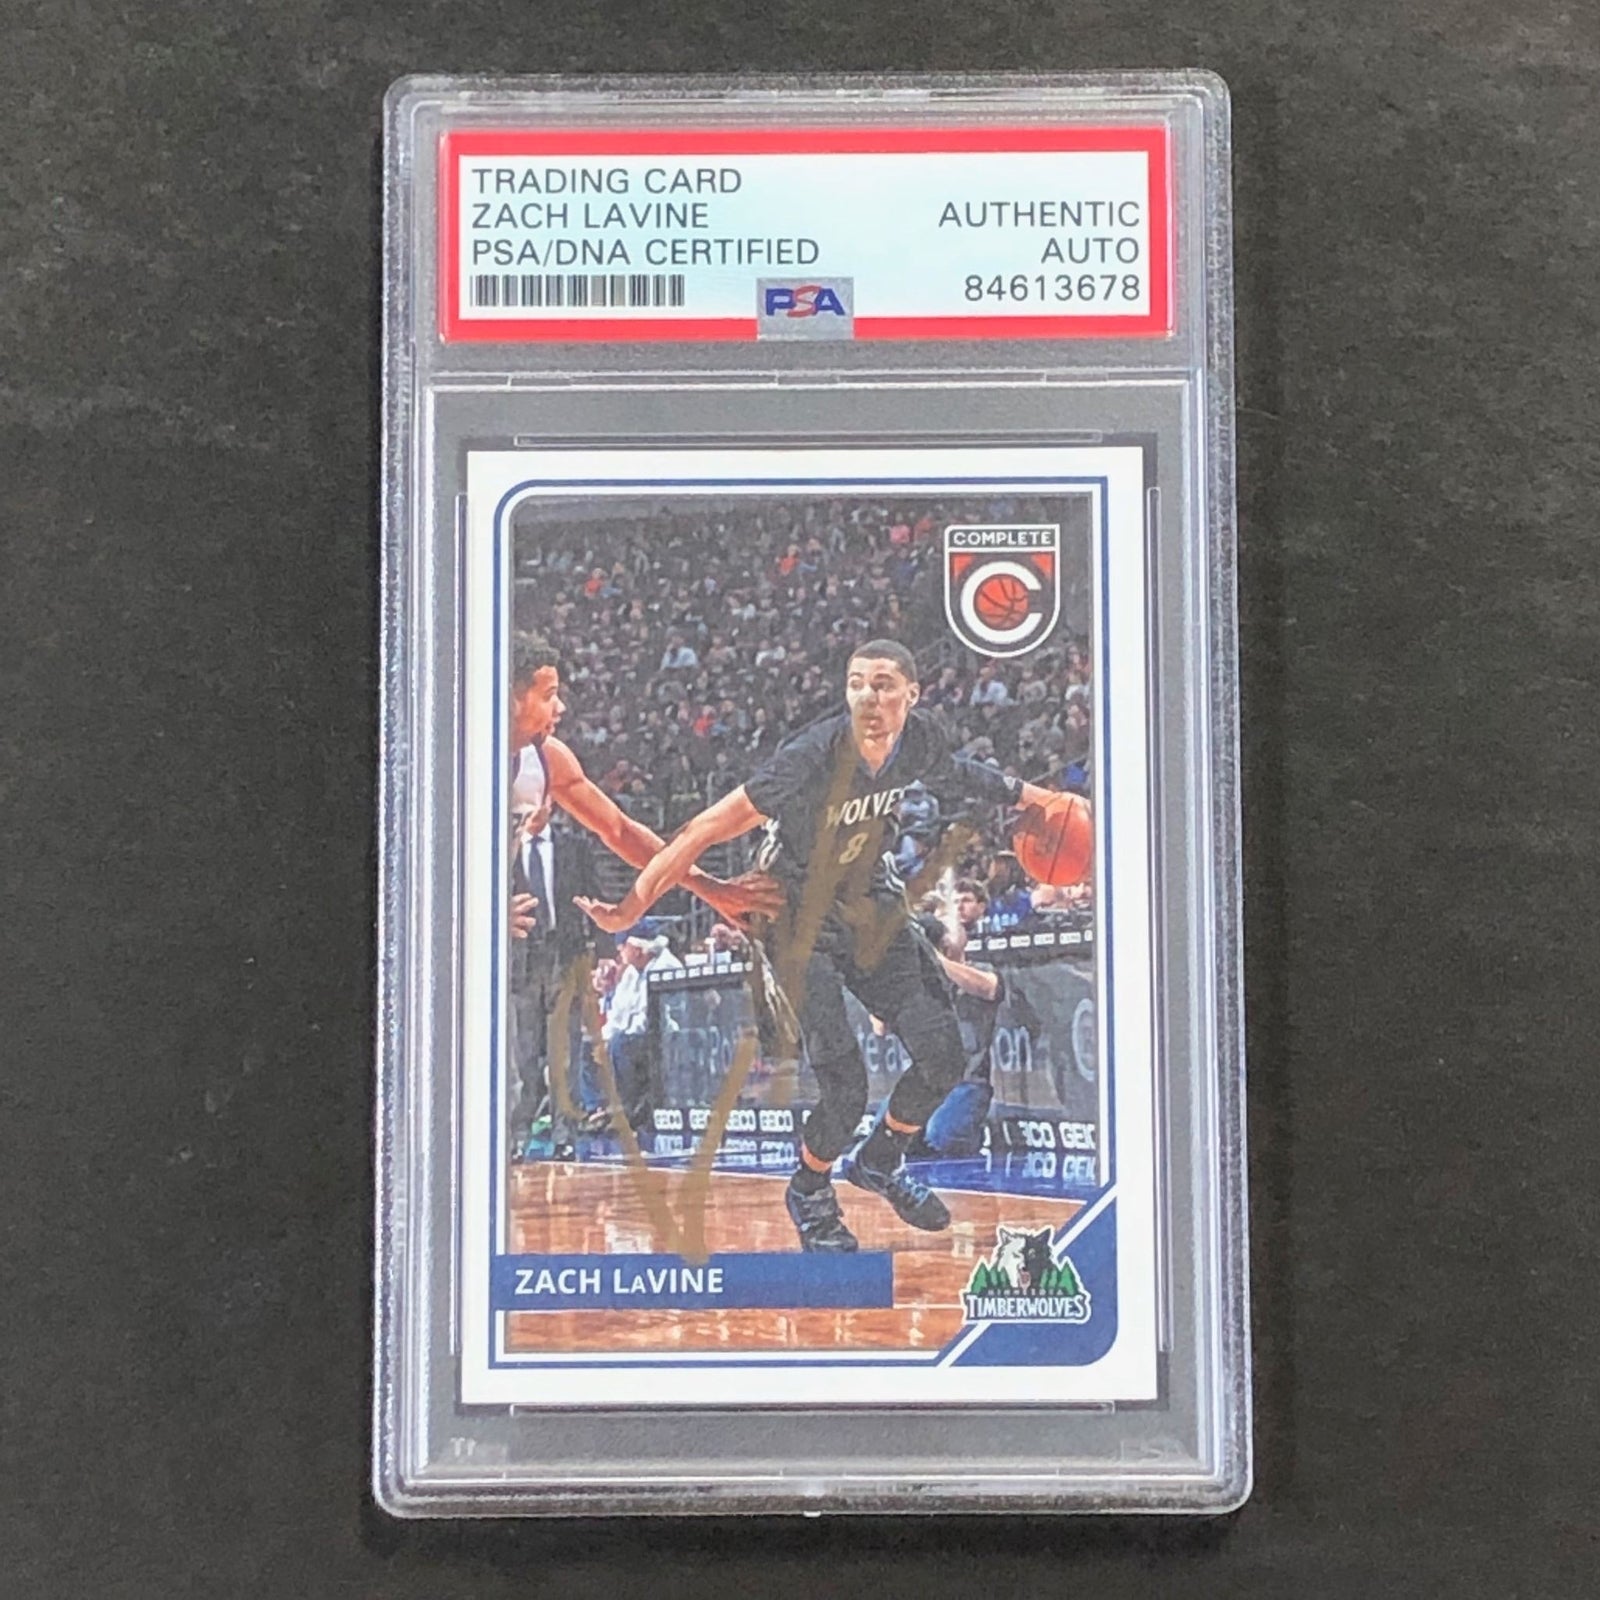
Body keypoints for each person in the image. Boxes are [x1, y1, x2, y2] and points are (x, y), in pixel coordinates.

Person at [576, 639, 1061, 1253]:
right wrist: (633, 906)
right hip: (796, 917)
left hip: (869, 904)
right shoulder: (810, 756)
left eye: (883, 683)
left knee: (942, 1054)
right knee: (846, 1086)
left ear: (912, 695)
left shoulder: (919, 740)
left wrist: (1037, 798)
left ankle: (879, 1160)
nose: (868, 696)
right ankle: (809, 1189)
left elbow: (961, 774)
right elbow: (702, 829)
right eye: (856, 683)